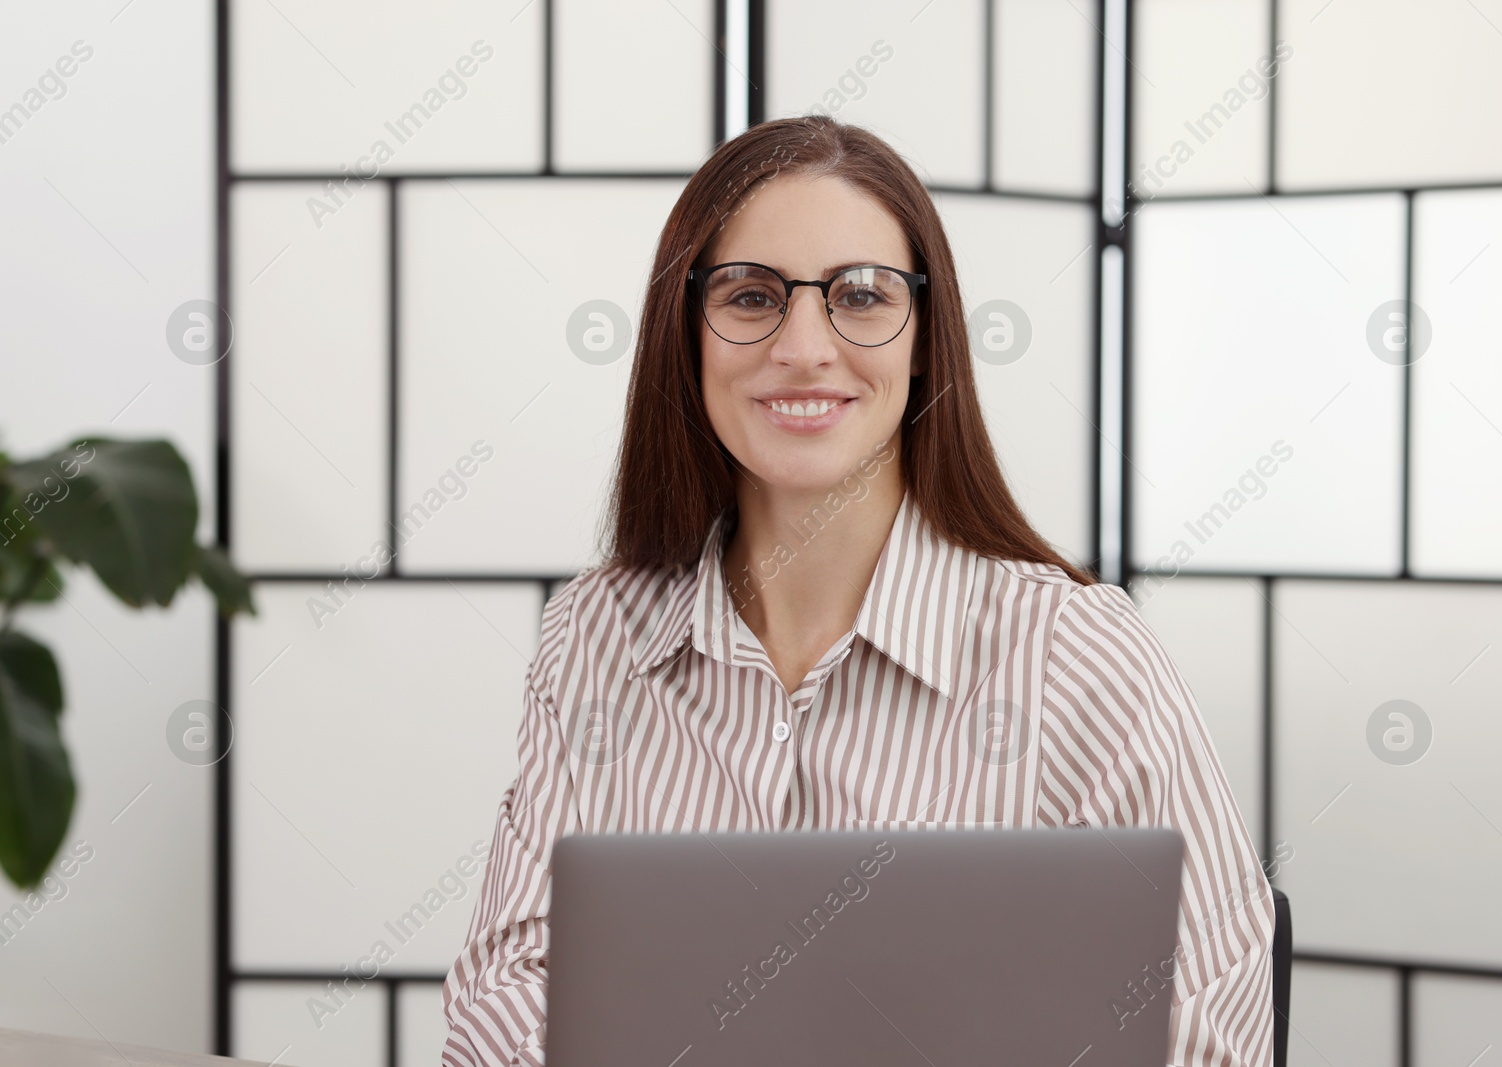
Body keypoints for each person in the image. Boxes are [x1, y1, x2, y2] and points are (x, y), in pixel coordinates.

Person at [440, 113, 1274, 1067]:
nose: (803, 346)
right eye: (752, 297)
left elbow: (1213, 1035)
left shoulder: (1075, 655)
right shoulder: (597, 634)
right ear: (688, 334)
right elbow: (502, 998)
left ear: (925, 340)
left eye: (861, 296)